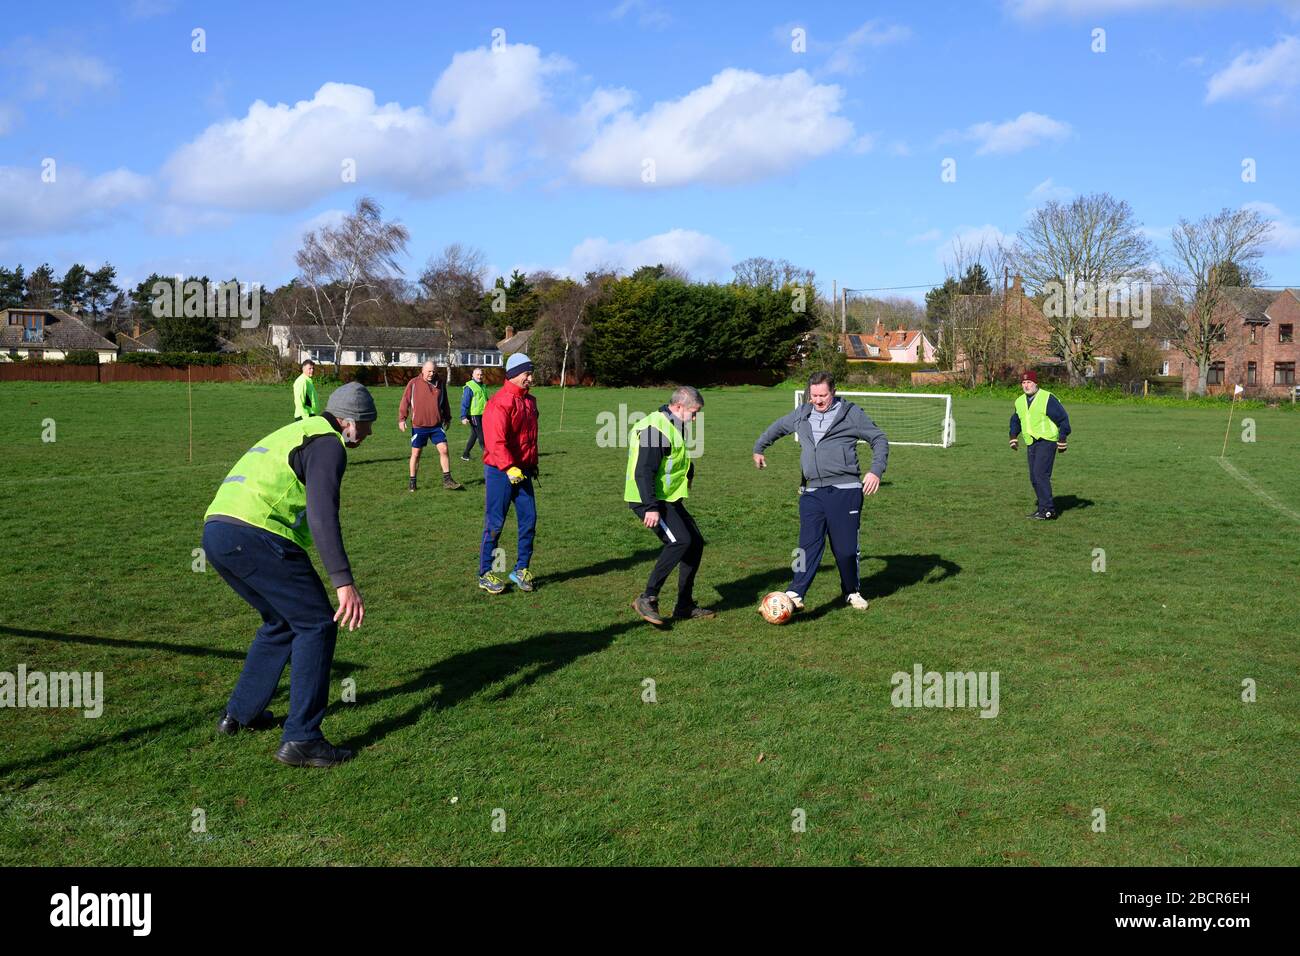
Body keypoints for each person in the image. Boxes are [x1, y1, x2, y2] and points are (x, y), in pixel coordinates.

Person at [203, 382, 376, 768]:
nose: (367, 434)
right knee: (316, 624)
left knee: (282, 622)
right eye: (365, 425)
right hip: (258, 534)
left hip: (218, 532)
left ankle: (239, 715)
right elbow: (321, 515)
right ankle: (303, 739)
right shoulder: (328, 444)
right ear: (347, 422)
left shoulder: (297, 431)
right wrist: (343, 581)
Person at [752, 371, 888, 612]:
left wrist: (875, 470)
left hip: (846, 490)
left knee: (845, 550)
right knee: (806, 545)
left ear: (833, 392)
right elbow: (777, 427)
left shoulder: (851, 413)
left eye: (822, 395)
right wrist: (760, 447)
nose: (818, 400)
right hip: (812, 491)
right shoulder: (802, 414)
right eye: (813, 395)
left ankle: (852, 591)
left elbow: (878, 438)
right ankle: (795, 592)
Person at [625, 386, 715, 626]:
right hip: (649, 499)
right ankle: (647, 598)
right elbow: (644, 471)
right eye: (694, 412)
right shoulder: (655, 429)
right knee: (679, 541)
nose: (695, 418)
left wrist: (689, 473)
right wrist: (651, 506)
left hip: (667, 498)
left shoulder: (673, 423)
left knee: (694, 543)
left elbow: (673, 458)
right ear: (678, 407)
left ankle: (684, 605)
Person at [478, 353, 539, 594]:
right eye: (527, 373)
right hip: (499, 471)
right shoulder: (499, 403)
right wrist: (509, 467)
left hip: (522, 471)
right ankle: (485, 573)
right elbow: (495, 442)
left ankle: (520, 569)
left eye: (530, 373)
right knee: (495, 523)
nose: (530, 378)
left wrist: (529, 464)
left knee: (529, 519)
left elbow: (529, 439)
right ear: (514, 375)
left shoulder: (529, 401)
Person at [1009, 370, 1070, 520]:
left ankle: (1049, 510)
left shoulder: (1047, 398)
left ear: (1036, 384)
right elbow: (1016, 420)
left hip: (1047, 441)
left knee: (1040, 474)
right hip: (1031, 442)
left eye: (1029, 382)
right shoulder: (1019, 401)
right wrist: (1013, 436)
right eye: (1023, 383)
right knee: (1034, 477)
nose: (1026, 385)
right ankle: (1042, 509)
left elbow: (1063, 419)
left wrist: (1062, 439)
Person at [398, 361, 463, 492]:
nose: (431, 374)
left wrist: (448, 417)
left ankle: (447, 480)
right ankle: (412, 481)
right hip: (419, 425)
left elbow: (445, 401)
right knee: (416, 454)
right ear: (422, 370)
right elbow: (405, 400)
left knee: (444, 449)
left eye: (434, 371)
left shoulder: (440, 383)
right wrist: (402, 419)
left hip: (436, 425)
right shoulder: (414, 383)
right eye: (429, 371)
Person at [459, 366, 489, 462]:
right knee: (481, 435)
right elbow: (465, 402)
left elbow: (486, 400)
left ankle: (465, 454)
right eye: (477, 374)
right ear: (473, 375)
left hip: (482, 414)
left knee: (474, 435)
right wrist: (463, 416)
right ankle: (489, 456)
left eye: (481, 375)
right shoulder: (470, 387)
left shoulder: (483, 386)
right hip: (473, 415)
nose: (479, 376)